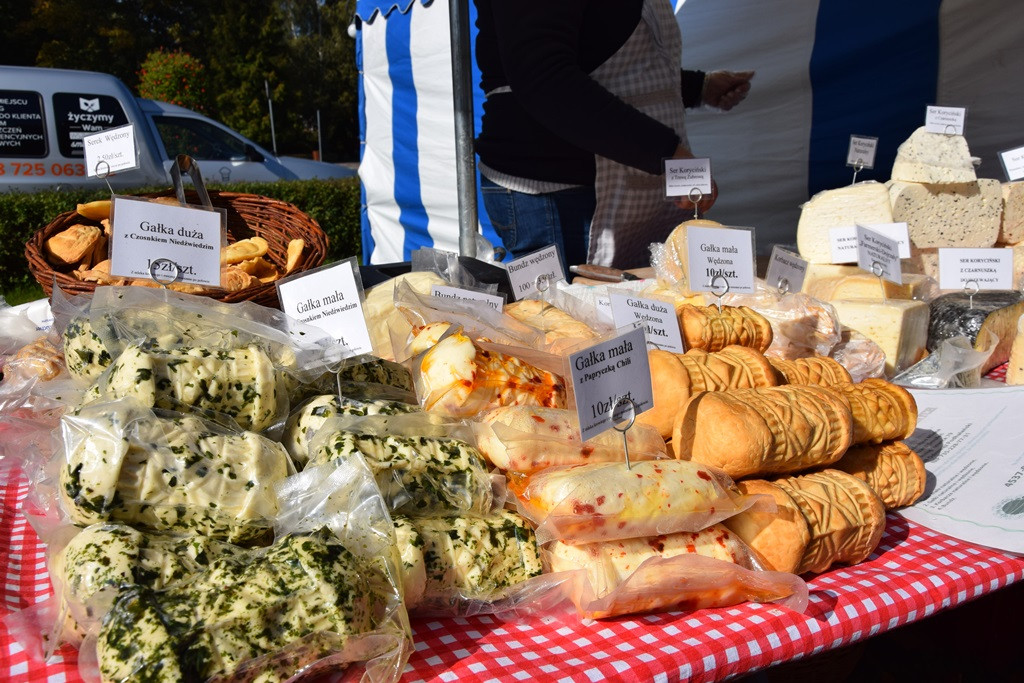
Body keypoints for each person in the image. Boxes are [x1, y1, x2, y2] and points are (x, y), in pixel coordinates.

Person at [473, 0, 753, 271]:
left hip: (603, 190)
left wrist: (698, 87)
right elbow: (543, 77)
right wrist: (667, 153)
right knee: (565, 304)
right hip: (555, 192)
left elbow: (604, 55)